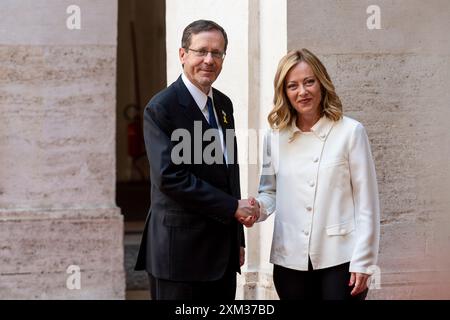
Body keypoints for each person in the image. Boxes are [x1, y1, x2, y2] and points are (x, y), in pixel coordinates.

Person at [134, 20, 258, 300]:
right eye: (201, 51)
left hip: (222, 255)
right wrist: (232, 208)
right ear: (182, 54)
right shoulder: (161, 108)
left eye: (217, 53)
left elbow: (229, 172)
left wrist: (236, 238)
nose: (209, 60)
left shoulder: (224, 105)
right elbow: (170, 177)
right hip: (178, 255)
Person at [253, 49, 380, 300]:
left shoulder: (350, 132)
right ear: (284, 93)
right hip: (289, 260)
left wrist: (364, 260)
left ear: (321, 83)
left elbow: (367, 203)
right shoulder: (274, 137)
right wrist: (256, 208)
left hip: (340, 259)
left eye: (309, 82)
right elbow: (269, 191)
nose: (303, 91)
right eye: (293, 86)